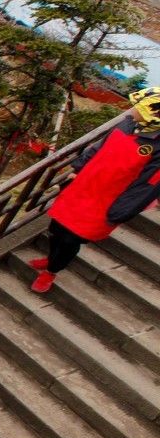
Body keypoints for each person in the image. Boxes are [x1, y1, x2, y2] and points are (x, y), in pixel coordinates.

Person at [31, 88, 160, 293]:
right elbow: (98, 148)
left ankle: (51, 270)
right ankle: (51, 258)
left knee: (70, 239)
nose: (133, 109)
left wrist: (119, 213)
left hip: (106, 201)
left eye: (139, 107)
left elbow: (145, 187)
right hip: (83, 187)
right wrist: (78, 169)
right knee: (57, 227)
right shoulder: (127, 124)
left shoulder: (157, 147)